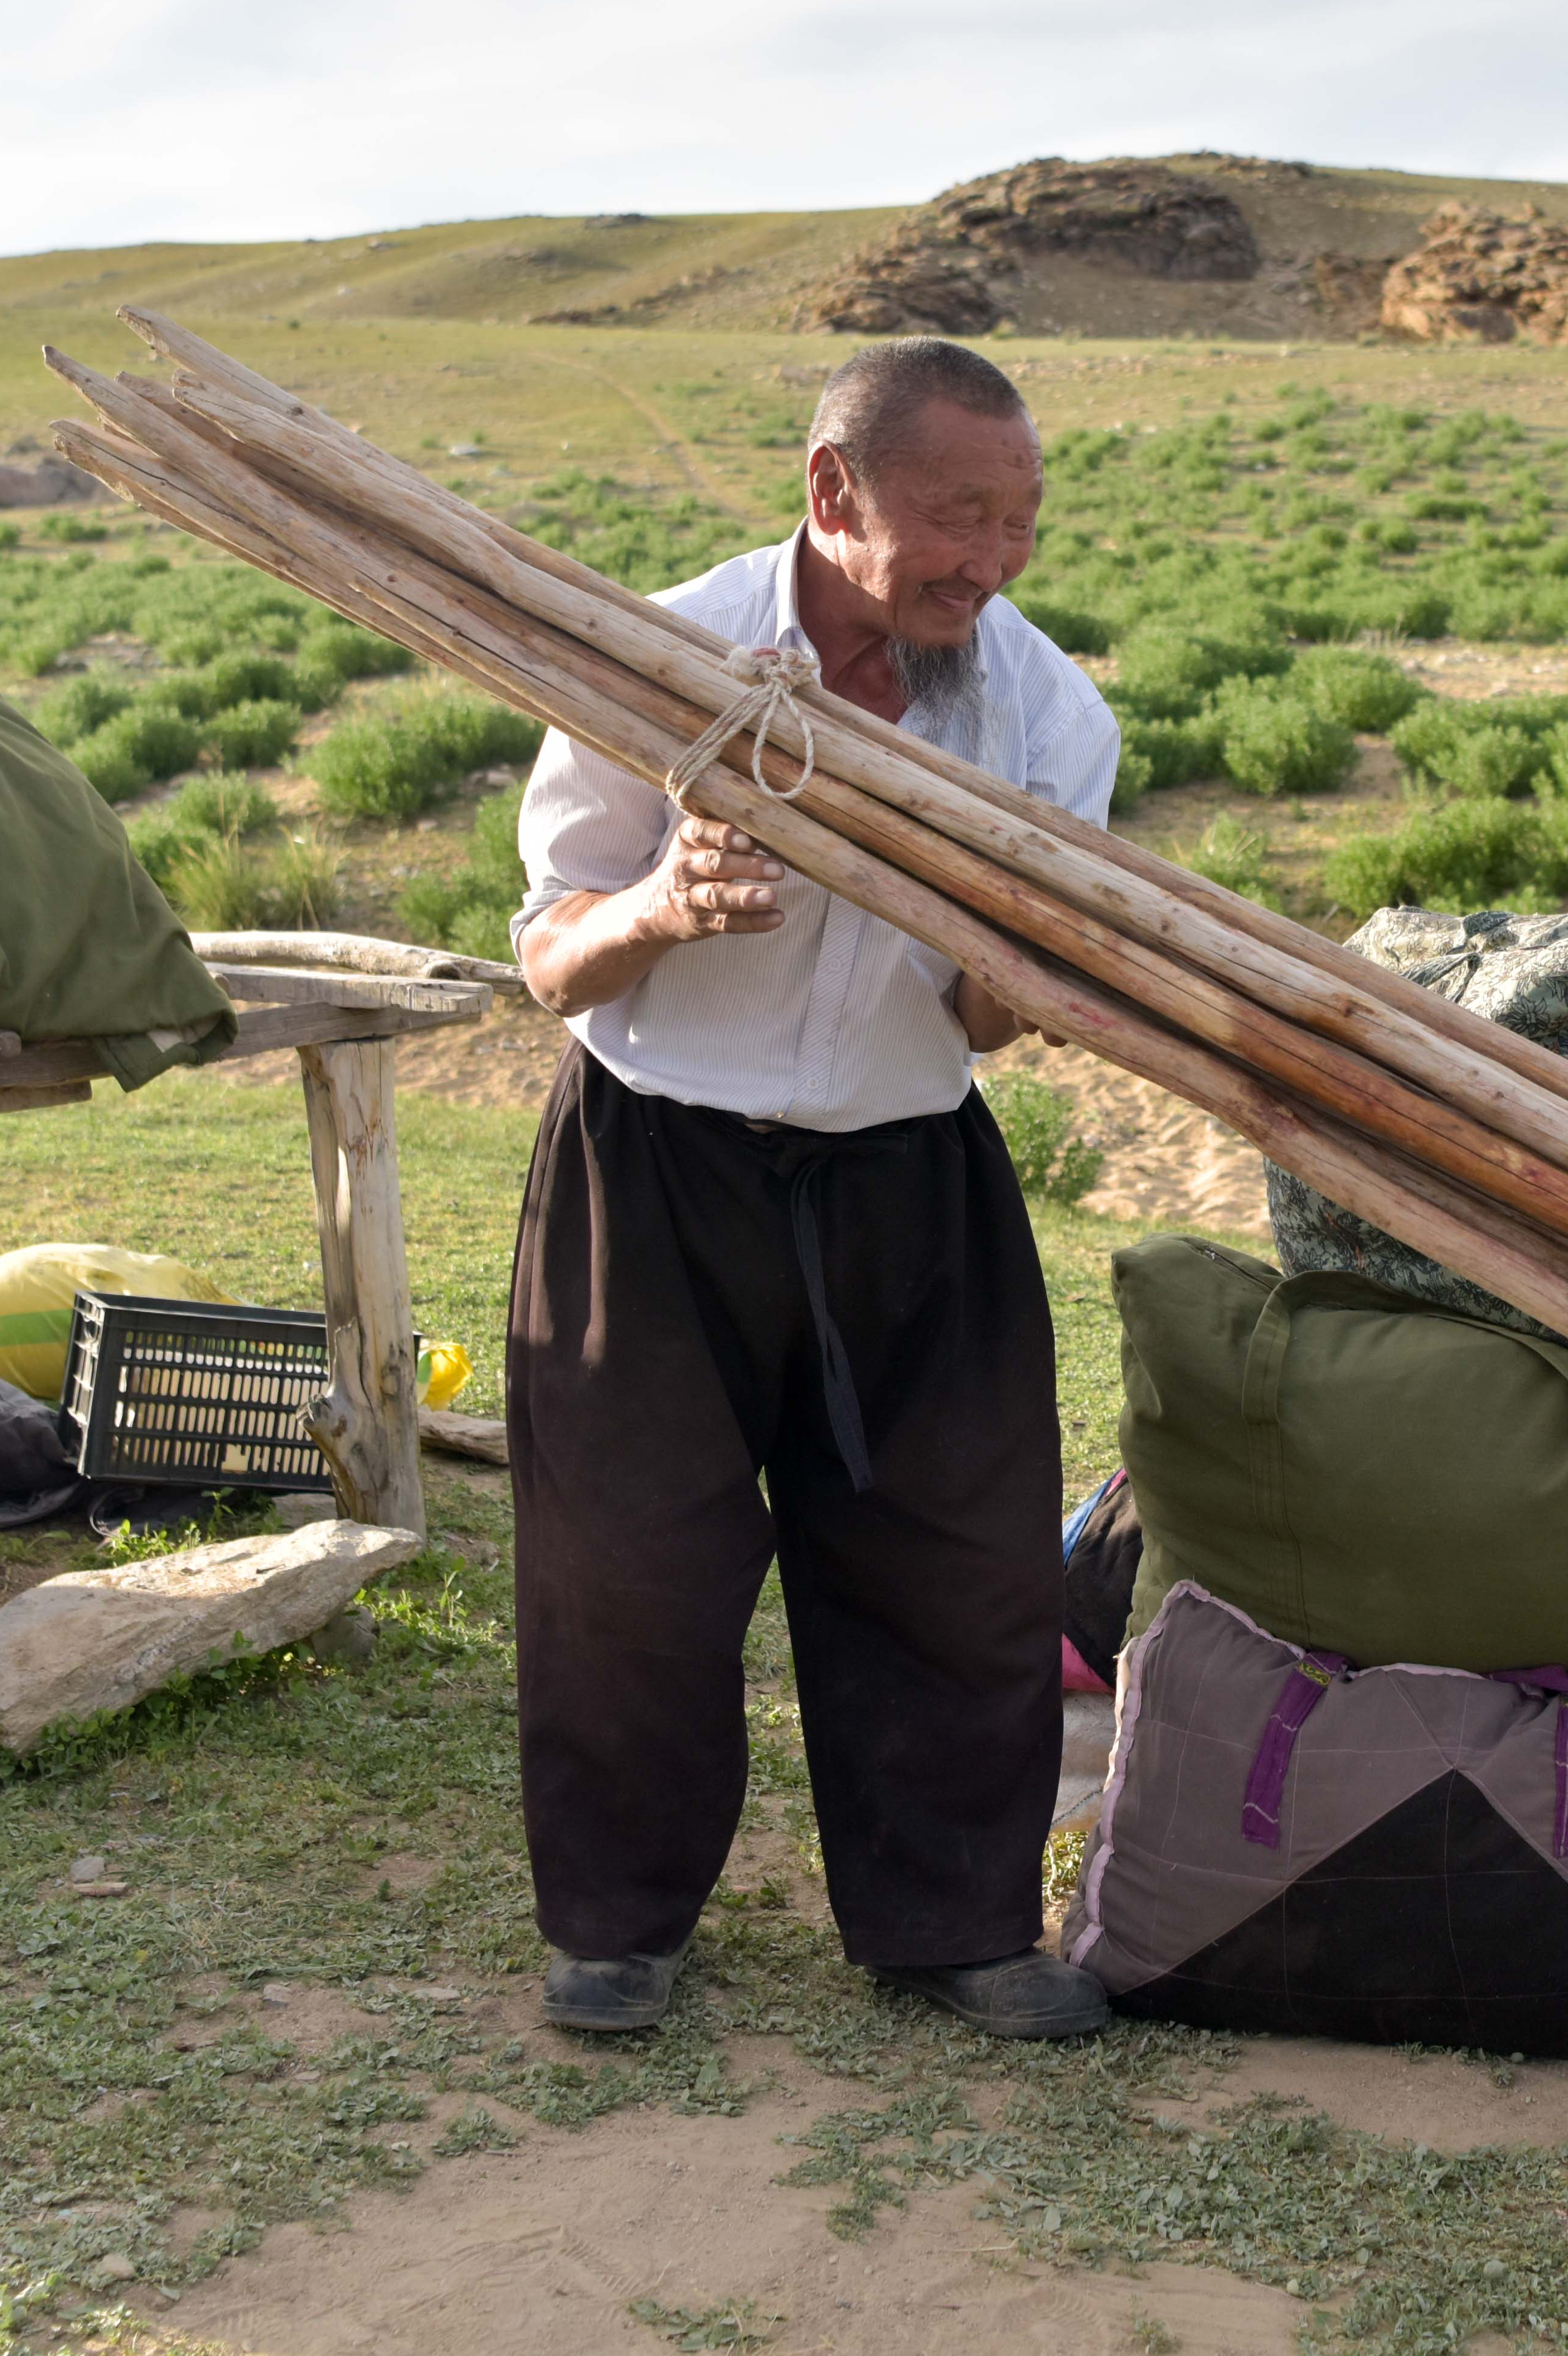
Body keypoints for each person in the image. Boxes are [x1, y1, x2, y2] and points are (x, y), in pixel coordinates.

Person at [504, 338, 1119, 2040]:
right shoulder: (658, 657)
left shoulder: (1049, 717)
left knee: (962, 1558)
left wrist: (1030, 959)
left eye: (1021, 522)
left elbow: (991, 1021)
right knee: (625, 1562)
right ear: (831, 492)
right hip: (657, 1162)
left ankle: (955, 1926)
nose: (990, 564)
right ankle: (620, 1925)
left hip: (911, 1174)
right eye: (954, 517)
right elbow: (554, 953)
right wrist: (667, 906)